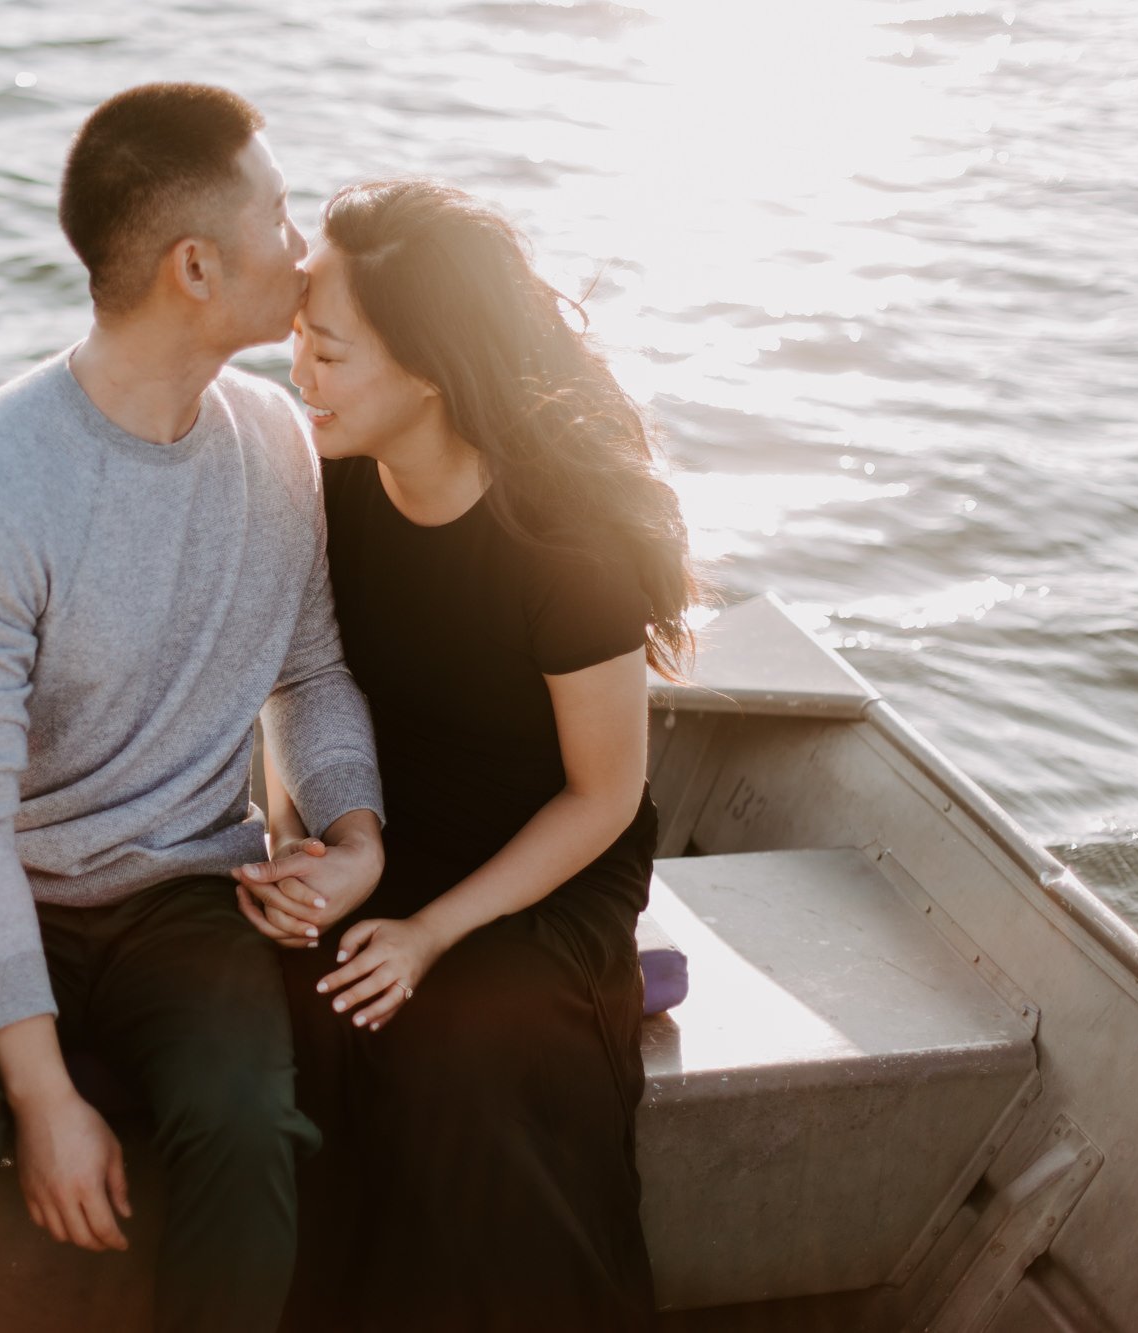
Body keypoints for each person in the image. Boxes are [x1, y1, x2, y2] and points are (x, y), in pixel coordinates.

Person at [0, 84, 387, 1333]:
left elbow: (307, 674)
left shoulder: (280, 448)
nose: (303, 249)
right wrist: (40, 1095)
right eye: (281, 215)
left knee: (254, 1132)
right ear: (197, 266)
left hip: (187, 898)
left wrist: (354, 839)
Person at [234, 178, 696, 1332]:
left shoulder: (560, 542)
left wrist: (434, 931)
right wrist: (307, 849)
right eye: (297, 341)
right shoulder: (318, 482)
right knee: (294, 1015)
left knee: (453, 1051)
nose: (300, 377)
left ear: (429, 367)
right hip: (381, 831)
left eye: (328, 354)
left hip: (543, 867)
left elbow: (604, 797)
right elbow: (294, 685)